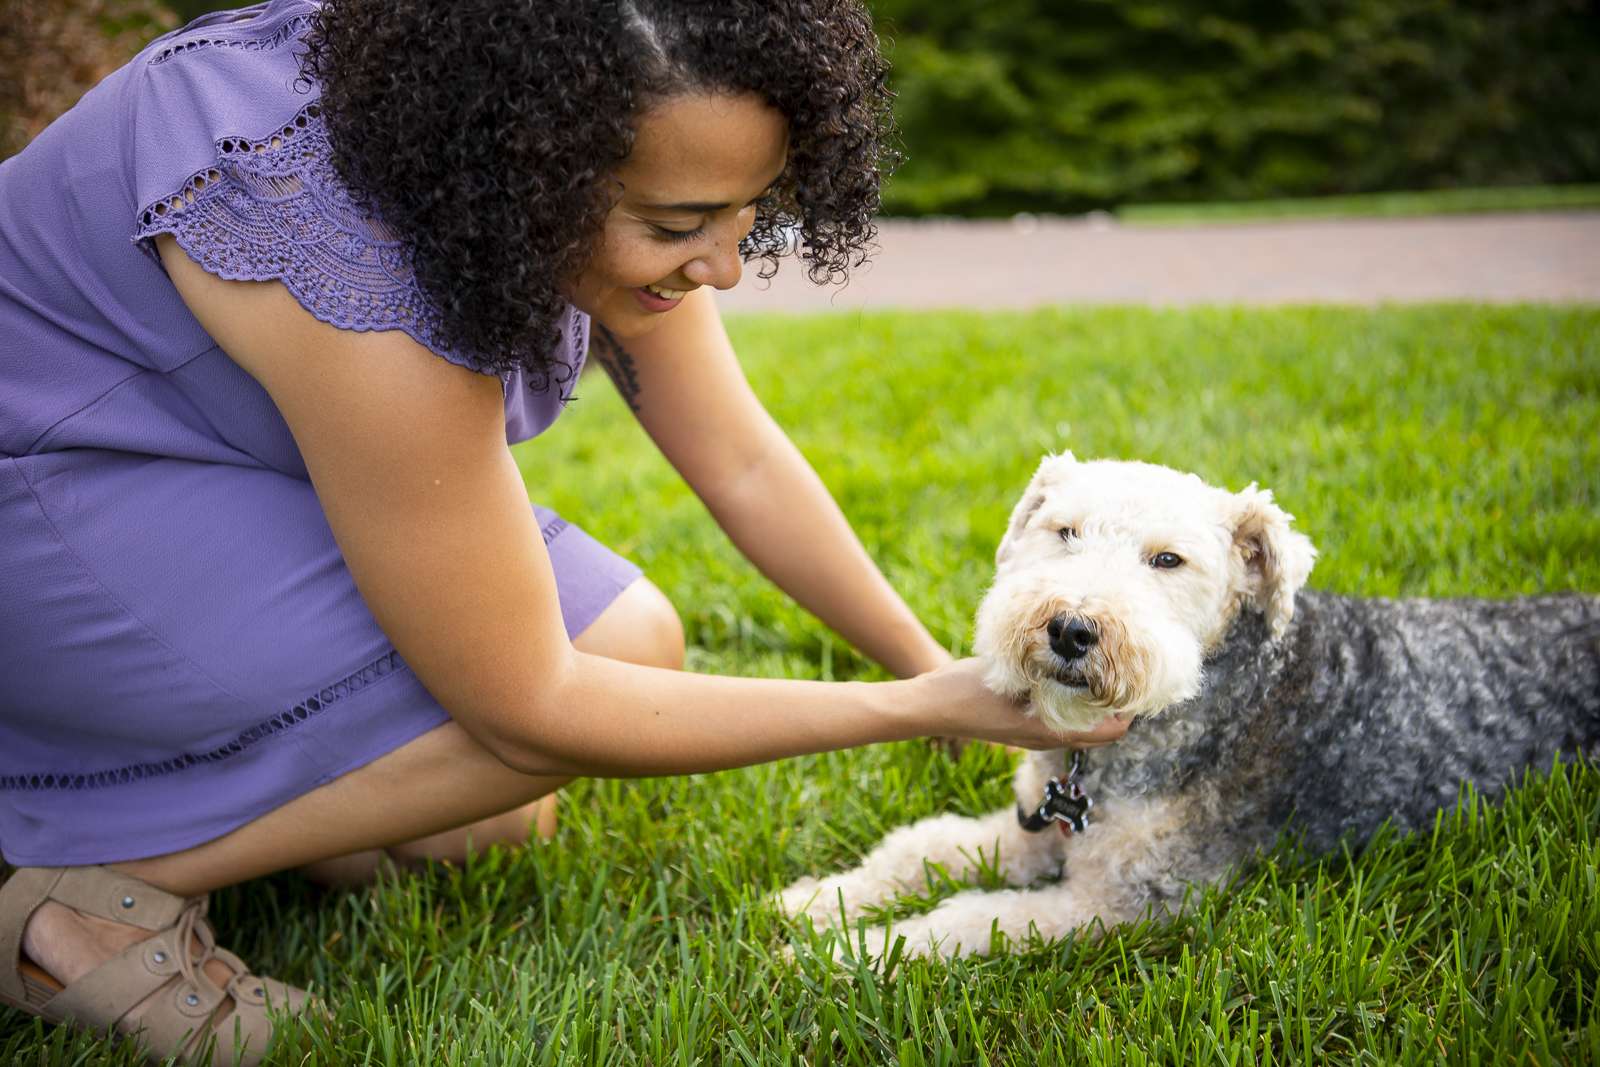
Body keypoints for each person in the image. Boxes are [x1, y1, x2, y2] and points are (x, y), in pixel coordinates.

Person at [0, 0, 1128, 1061]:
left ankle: (245, 793)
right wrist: (908, 709)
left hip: (202, 471)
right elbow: (529, 699)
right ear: (524, 174)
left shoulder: (560, 134)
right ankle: (81, 887)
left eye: (753, 211)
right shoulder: (348, 257)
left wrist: (937, 665)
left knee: (558, 730)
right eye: (678, 225)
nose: (726, 265)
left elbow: (735, 458)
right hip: (45, 508)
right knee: (553, 712)